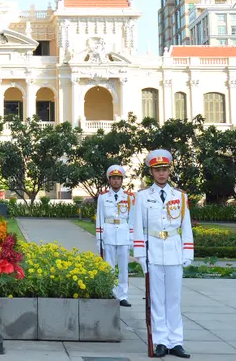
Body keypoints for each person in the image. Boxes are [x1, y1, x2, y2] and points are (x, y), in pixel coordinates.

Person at [132, 149, 193, 359]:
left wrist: (188, 252)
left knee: (174, 299)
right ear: (151, 172)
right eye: (157, 170)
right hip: (154, 252)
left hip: (174, 251)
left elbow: (186, 227)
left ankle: (176, 341)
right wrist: (140, 255)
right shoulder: (142, 197)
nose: (161, 174)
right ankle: (160, 341)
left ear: (169, 171)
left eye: (165, 169)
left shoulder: (180, 197)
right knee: (157, 300)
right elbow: (137, 227)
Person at [95, 164, 134, 307]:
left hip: (123, 234)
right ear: (109, 180)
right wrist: (99, 239)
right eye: (113, 178)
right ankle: (110, 293)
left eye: (119, 178)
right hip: (109, 233)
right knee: (109, 267)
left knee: (123, 268)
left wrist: (131, 238)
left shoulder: (129, 197)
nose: (116, 181)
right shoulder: (103, 198)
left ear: (122, 180)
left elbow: (132, 220)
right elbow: (99, 218)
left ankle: (123, 295)